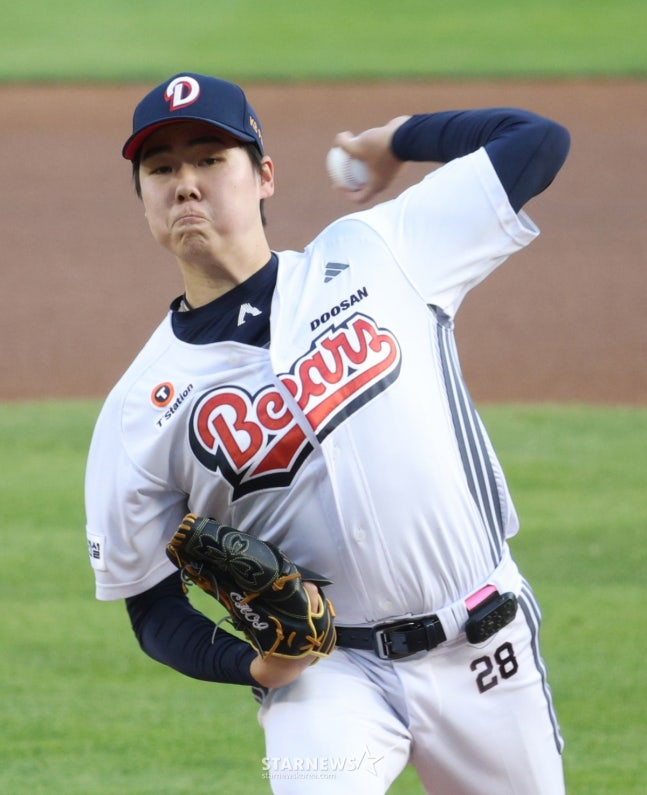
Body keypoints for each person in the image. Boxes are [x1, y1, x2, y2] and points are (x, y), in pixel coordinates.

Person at [85, 72, 570, 794]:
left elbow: (535, 142)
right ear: (145, 201)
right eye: (160, 169)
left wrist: (395, 139)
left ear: (263, 177)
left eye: (210, 159)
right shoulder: (138, 408)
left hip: (482, 645)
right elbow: (152, 607)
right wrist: (252, 664)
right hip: (327, 678)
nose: (185, 183)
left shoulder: (379, 250)